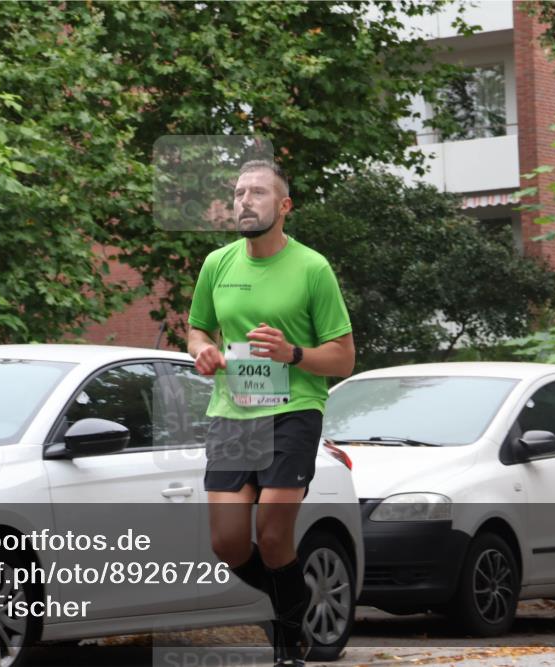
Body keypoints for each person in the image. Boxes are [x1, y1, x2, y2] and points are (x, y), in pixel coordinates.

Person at [187, 160, 355, 667]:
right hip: (233, 412)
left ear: (284, 206)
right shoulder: (217, 264)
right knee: (228, 544)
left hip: (294, 410)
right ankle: (295, 603)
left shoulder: (312, 268)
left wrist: (293, 354)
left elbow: (344, 358)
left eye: (257, 192)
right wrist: (202, 351)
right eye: (239, 192)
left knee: (275, 533)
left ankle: (286, 644)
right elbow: (197, 329)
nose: (245, 200)